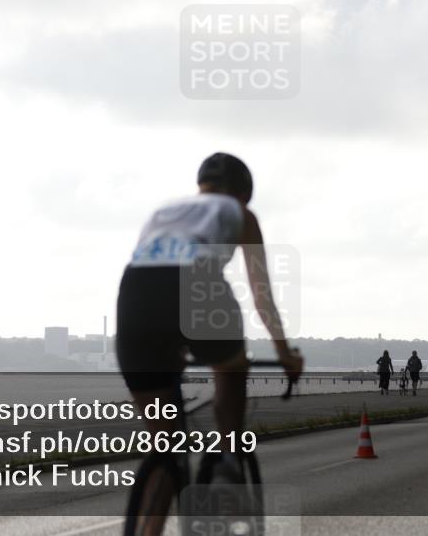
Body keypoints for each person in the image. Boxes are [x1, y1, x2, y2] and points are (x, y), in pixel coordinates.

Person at [116, 152, 303, 525]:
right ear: (243, 193)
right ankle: (227, 462)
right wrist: (285, 354)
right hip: (197, 283)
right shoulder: (239, 213)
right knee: (232, 369)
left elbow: (154, 276)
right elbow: (260, 291)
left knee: (165, 447)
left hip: (134, 295)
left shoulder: (162, 212)